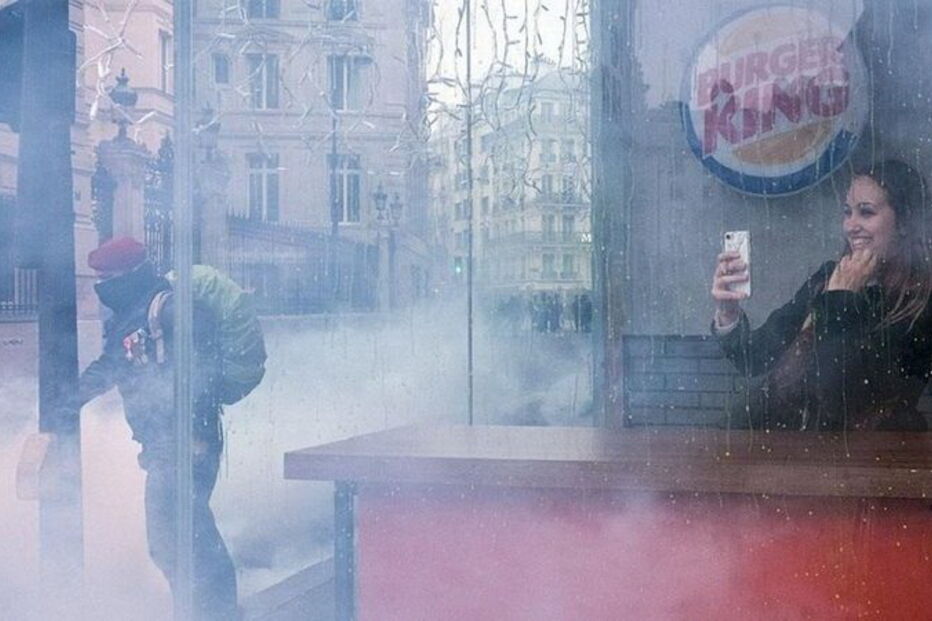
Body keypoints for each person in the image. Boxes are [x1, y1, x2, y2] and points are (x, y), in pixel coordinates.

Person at [73, 236, 237, 619]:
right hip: (168, 445)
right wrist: (64, 401)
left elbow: (204, 371)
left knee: (182, 537)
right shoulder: (132, 315)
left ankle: (215, 613)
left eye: (106, 276)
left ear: (126, 274)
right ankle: (201, 611)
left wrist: (190, 429)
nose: (101, 285)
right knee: (180, 538)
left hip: (184, 443)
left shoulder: (170, 308)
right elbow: (110, 365)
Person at [711, 160, 932, 432]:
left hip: (867, 455)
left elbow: (847, 395)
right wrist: (728, 312)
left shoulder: (920, 298)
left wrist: (841, 299)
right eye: (847, 212)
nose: (851, 225)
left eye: (866, 212)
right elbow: (755, 356)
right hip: (788, 440)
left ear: (904, 221)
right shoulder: (827, 277)